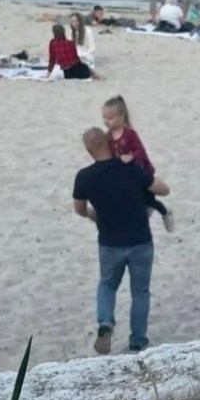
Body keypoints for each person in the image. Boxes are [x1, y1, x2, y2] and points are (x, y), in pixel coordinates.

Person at [73, 127, 170, 355]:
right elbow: (163, 190)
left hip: (109, 241)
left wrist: (93, 215)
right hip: (140, 241)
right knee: (140, 292)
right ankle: (138, 341)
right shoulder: (130, 169)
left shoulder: (85, 177)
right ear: (109, 141)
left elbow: (79, 209)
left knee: (107, 285)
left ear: (88, 150)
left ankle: (105, 323)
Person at [102, 95, 174, 232]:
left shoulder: (130, 134)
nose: (107, 122)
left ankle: (165, 213)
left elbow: (140, 151)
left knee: (150, 201)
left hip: (140, 172)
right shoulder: (108, 137)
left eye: (110, 119)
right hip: (124, 175)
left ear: (122, 116)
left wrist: (131, 156)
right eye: (105, 118)